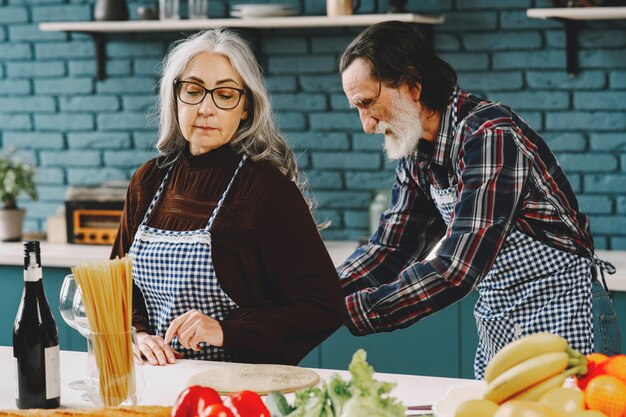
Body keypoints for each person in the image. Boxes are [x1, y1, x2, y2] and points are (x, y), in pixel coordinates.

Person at [337, 21, 621, 379]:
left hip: (564, 312)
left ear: (412, 85)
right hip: (498, 323)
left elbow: (457, 268)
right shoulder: (418, 153)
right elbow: (390, 248)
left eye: (368, 103)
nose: (367, 125)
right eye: (357, 109)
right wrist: (315, 296)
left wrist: (346, 311)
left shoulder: (489, 136)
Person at [111, 28, 345, 367]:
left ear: (246, 107)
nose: (206, 108)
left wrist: (226, 331)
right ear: (174, 97)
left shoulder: (266, 189)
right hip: (159, 381)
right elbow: (117, 288)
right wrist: (136, 335)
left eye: (224, 94)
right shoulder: (149, 180)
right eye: (193, 90)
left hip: (243, 388)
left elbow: (323, 305)